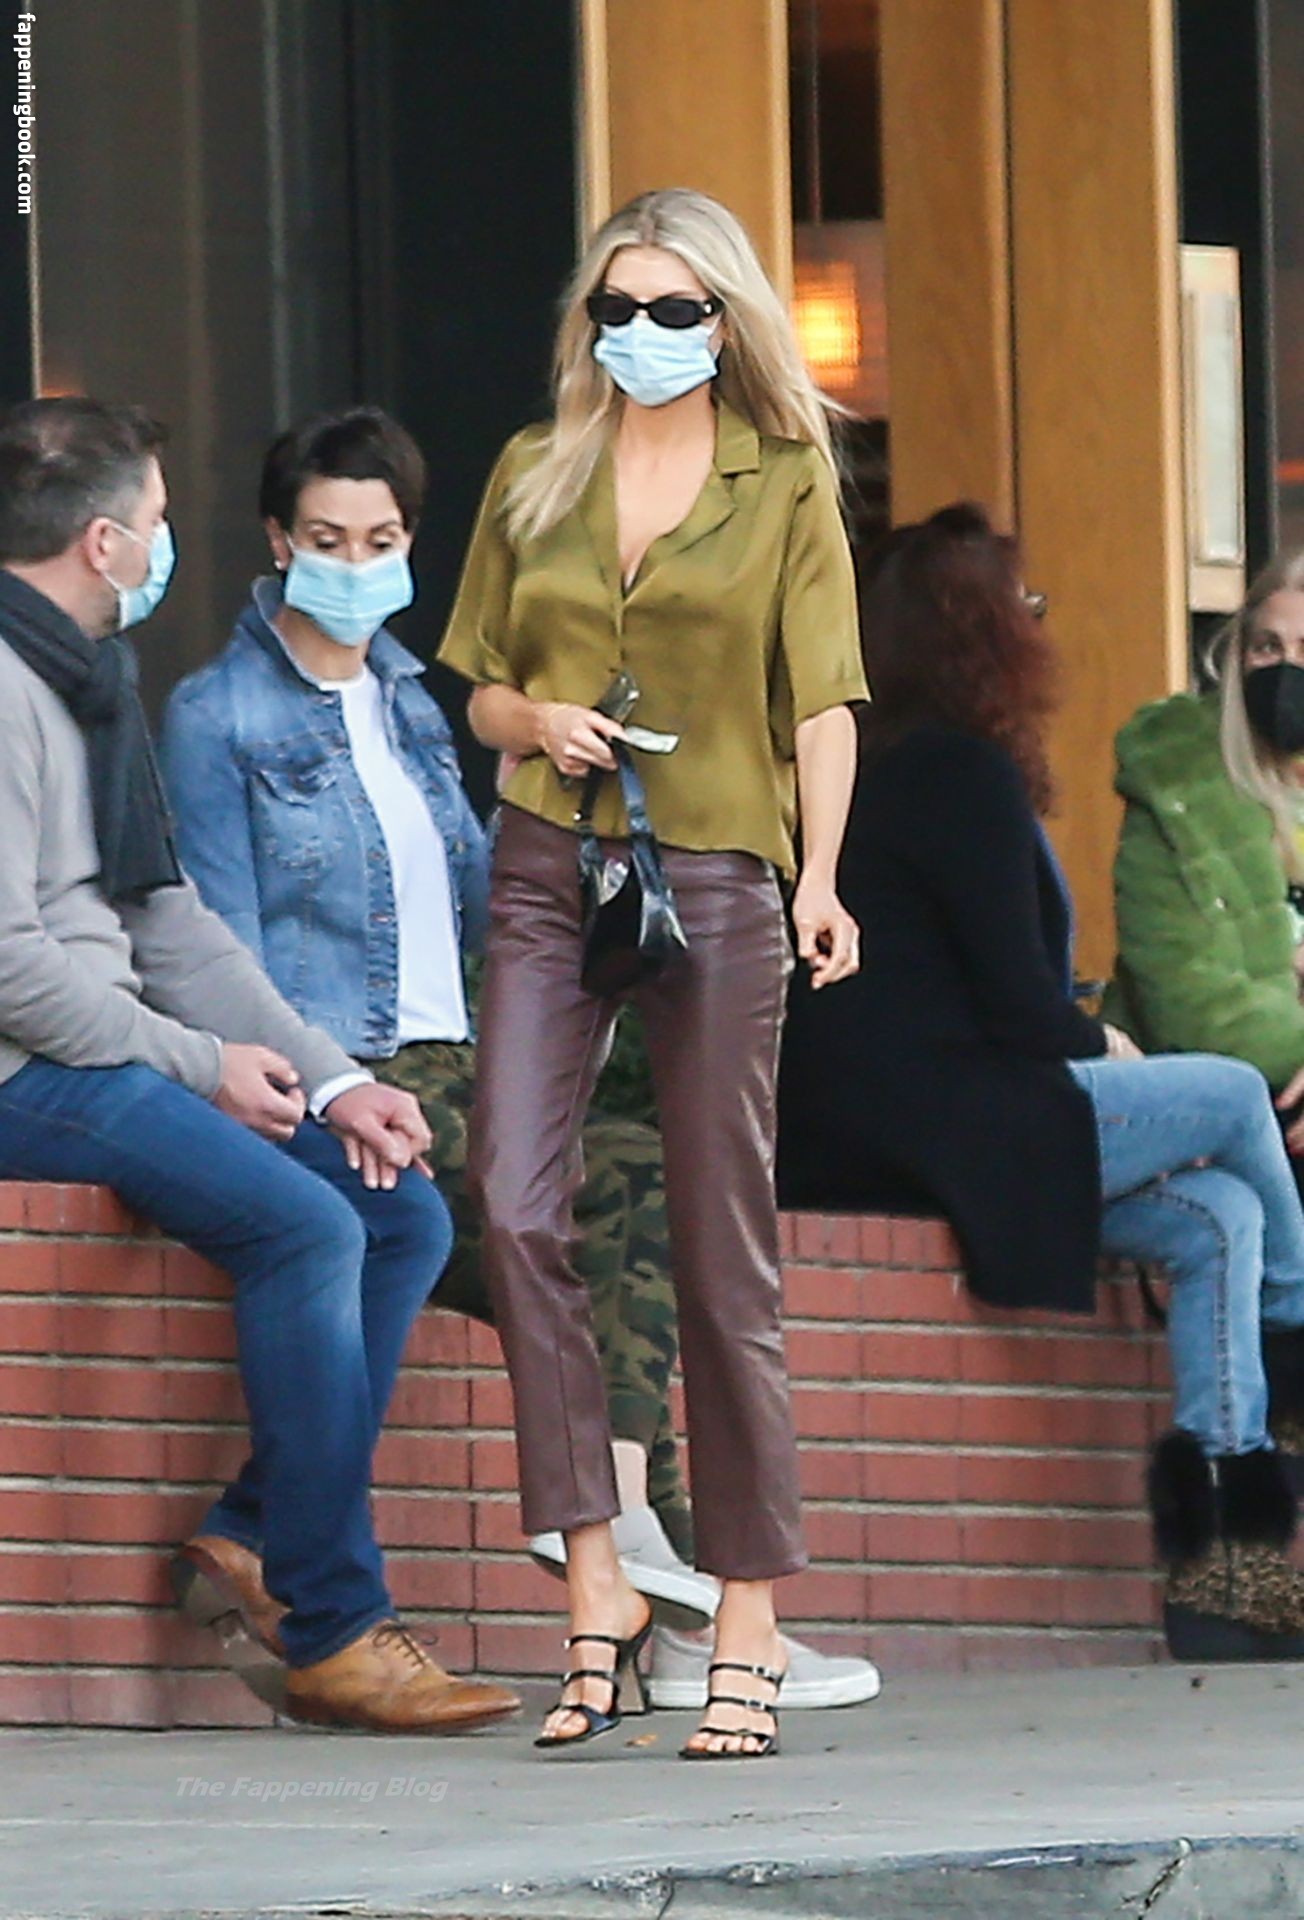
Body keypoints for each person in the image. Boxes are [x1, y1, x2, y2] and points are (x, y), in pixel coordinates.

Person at [160, 404, 879, 1714]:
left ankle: (654, 1573)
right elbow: (216, 938)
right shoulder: (220, 716)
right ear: (275, 541)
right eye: (325, 539)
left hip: (459, 1051)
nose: (354, 563)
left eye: (381, 540)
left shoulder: (413, 704)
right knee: (602, 1195)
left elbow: (488, 907)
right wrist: (321, 1080)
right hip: (350, 1065)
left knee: (648, 1179)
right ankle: (643, 1566)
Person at [0, 396, 518, 1733]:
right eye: (159, 521)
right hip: (27, 1072)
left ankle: (252, 1529)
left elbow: (166, 922)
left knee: (397, 1211)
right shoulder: (6, 689)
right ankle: (335, 1627)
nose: (166, 546)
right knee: (305, 1226)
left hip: (103, 1053)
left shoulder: (86, 678)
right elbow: (10, 968)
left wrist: (336, 1080)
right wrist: (197, 1065)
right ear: (106, 543)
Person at [440, 186, 866, 1758]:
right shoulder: (533, 469)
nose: (642, 332)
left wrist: (820, 877)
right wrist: (535, 721)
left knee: (717, 1236)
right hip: (549, 857)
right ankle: (599, 1579)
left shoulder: (785, 477)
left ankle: (747, 1609)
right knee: (513, 1203)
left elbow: (824, 699)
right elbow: (480, 689)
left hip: (718, 865)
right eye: (616, 307)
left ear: (728, 322)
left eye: (676, 310)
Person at [778, 503, 1304, 1663]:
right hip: (935, 1117)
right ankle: (1297, 1328)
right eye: (1021, 606)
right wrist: (1103, 1045)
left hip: (901, 1115)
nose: (1036, 625)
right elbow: (1020, 1007)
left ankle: (1223, 1574)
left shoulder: (876, 765)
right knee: (1227, 1093)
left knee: (1216, 1216)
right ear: (977, 634)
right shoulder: (955, 771)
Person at [1108, 554, 1304, 1457]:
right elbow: (1190, 997)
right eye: (1266, 648)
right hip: (1229, 1106)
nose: (1285, 670)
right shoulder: (1179, 789)